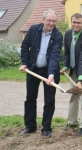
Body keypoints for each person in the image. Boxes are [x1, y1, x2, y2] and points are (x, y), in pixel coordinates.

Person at [19, 9, 63, 138]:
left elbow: (55, 56)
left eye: (54, 21)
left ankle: (46, 129)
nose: (51, 23)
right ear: (43, 20)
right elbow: (25, 46)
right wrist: (25, 63)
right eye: (49, 20)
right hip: (33, 69)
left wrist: (51, 75)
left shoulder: (58, 35)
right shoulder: (34, 29)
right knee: (30, 98)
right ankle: (30, 126)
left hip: (49, 70)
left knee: (49, 101)